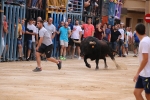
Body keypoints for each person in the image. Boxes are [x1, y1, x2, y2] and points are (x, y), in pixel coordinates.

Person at [133, 23, 150, 100]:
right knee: (136, 92)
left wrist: (137, 73)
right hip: (144, 73)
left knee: (148, 96)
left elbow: (145, 59)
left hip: (147, 73)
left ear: (136, 32)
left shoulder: (144, 42)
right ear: (145, 30)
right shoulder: (147, 40)